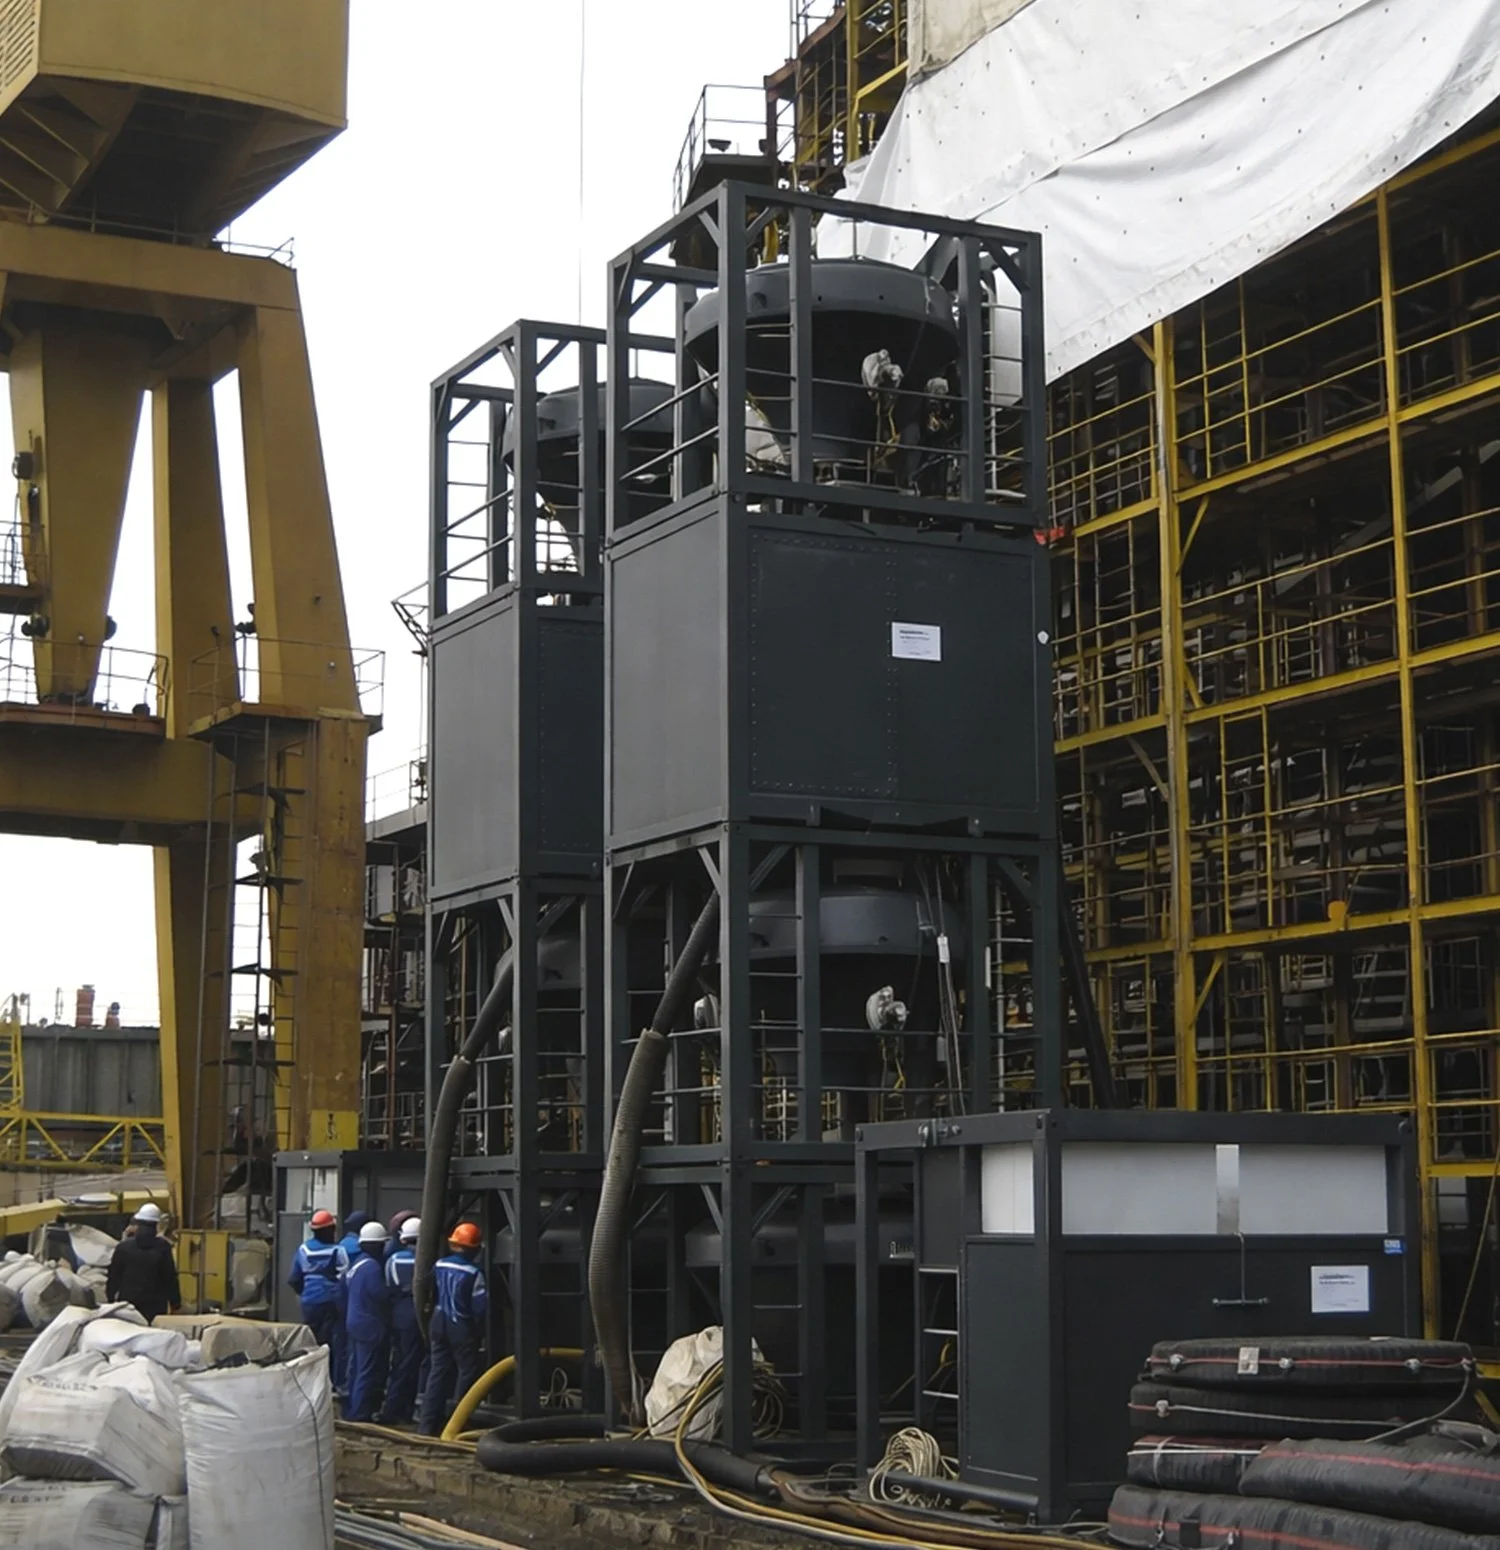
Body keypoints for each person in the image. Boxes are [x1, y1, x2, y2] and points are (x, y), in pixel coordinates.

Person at [417, 1222, 487, 1437]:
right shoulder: (474, 1273)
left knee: (438, 1371)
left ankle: (426, 1425)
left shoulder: (439, 1265)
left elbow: (428, 1290)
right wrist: (480, 1332)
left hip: (438, 1322)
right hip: (461, 1325)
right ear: (474, 1248)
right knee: (466, 1372)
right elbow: (480, 1308)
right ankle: (457, 1424)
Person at [343, 1220, 391, 1422]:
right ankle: (360, 1414)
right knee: (367, 1370)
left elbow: (342, 1291)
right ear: (378, 1245)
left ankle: (353, 1409)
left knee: (356, 1369)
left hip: (355, 1322)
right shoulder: (372, 1268)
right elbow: (381, 1296)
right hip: (369, 1327)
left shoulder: (356, 1265)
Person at [378, 1216, 424, 1425]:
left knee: (399, 1362)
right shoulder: (425, 1261)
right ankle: (401, 1411)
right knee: (412, 1364)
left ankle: (394, 1409)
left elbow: (389, 1288)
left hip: (398, 1314)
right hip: (416, 1314)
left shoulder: (392, 1261)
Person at [105, 1204, 181, 1323]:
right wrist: (175, 1303)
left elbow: (114, 1276)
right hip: (155, 1305)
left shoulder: (123, 1248)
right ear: (156, 1224)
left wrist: (110, 1298)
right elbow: (170, 1277)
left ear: (138, 1223)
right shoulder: (163, 1247)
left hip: (128, 1305)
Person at [287, 1209, 344, 1356]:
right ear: (330, 1230)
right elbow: (346, 1277)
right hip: (332, 1302)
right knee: (329, 1345)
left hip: (309, 1303)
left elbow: (293, 1279)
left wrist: (306, 1293)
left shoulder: (303, 1249)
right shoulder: (338, 1250)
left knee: (311, 1342)